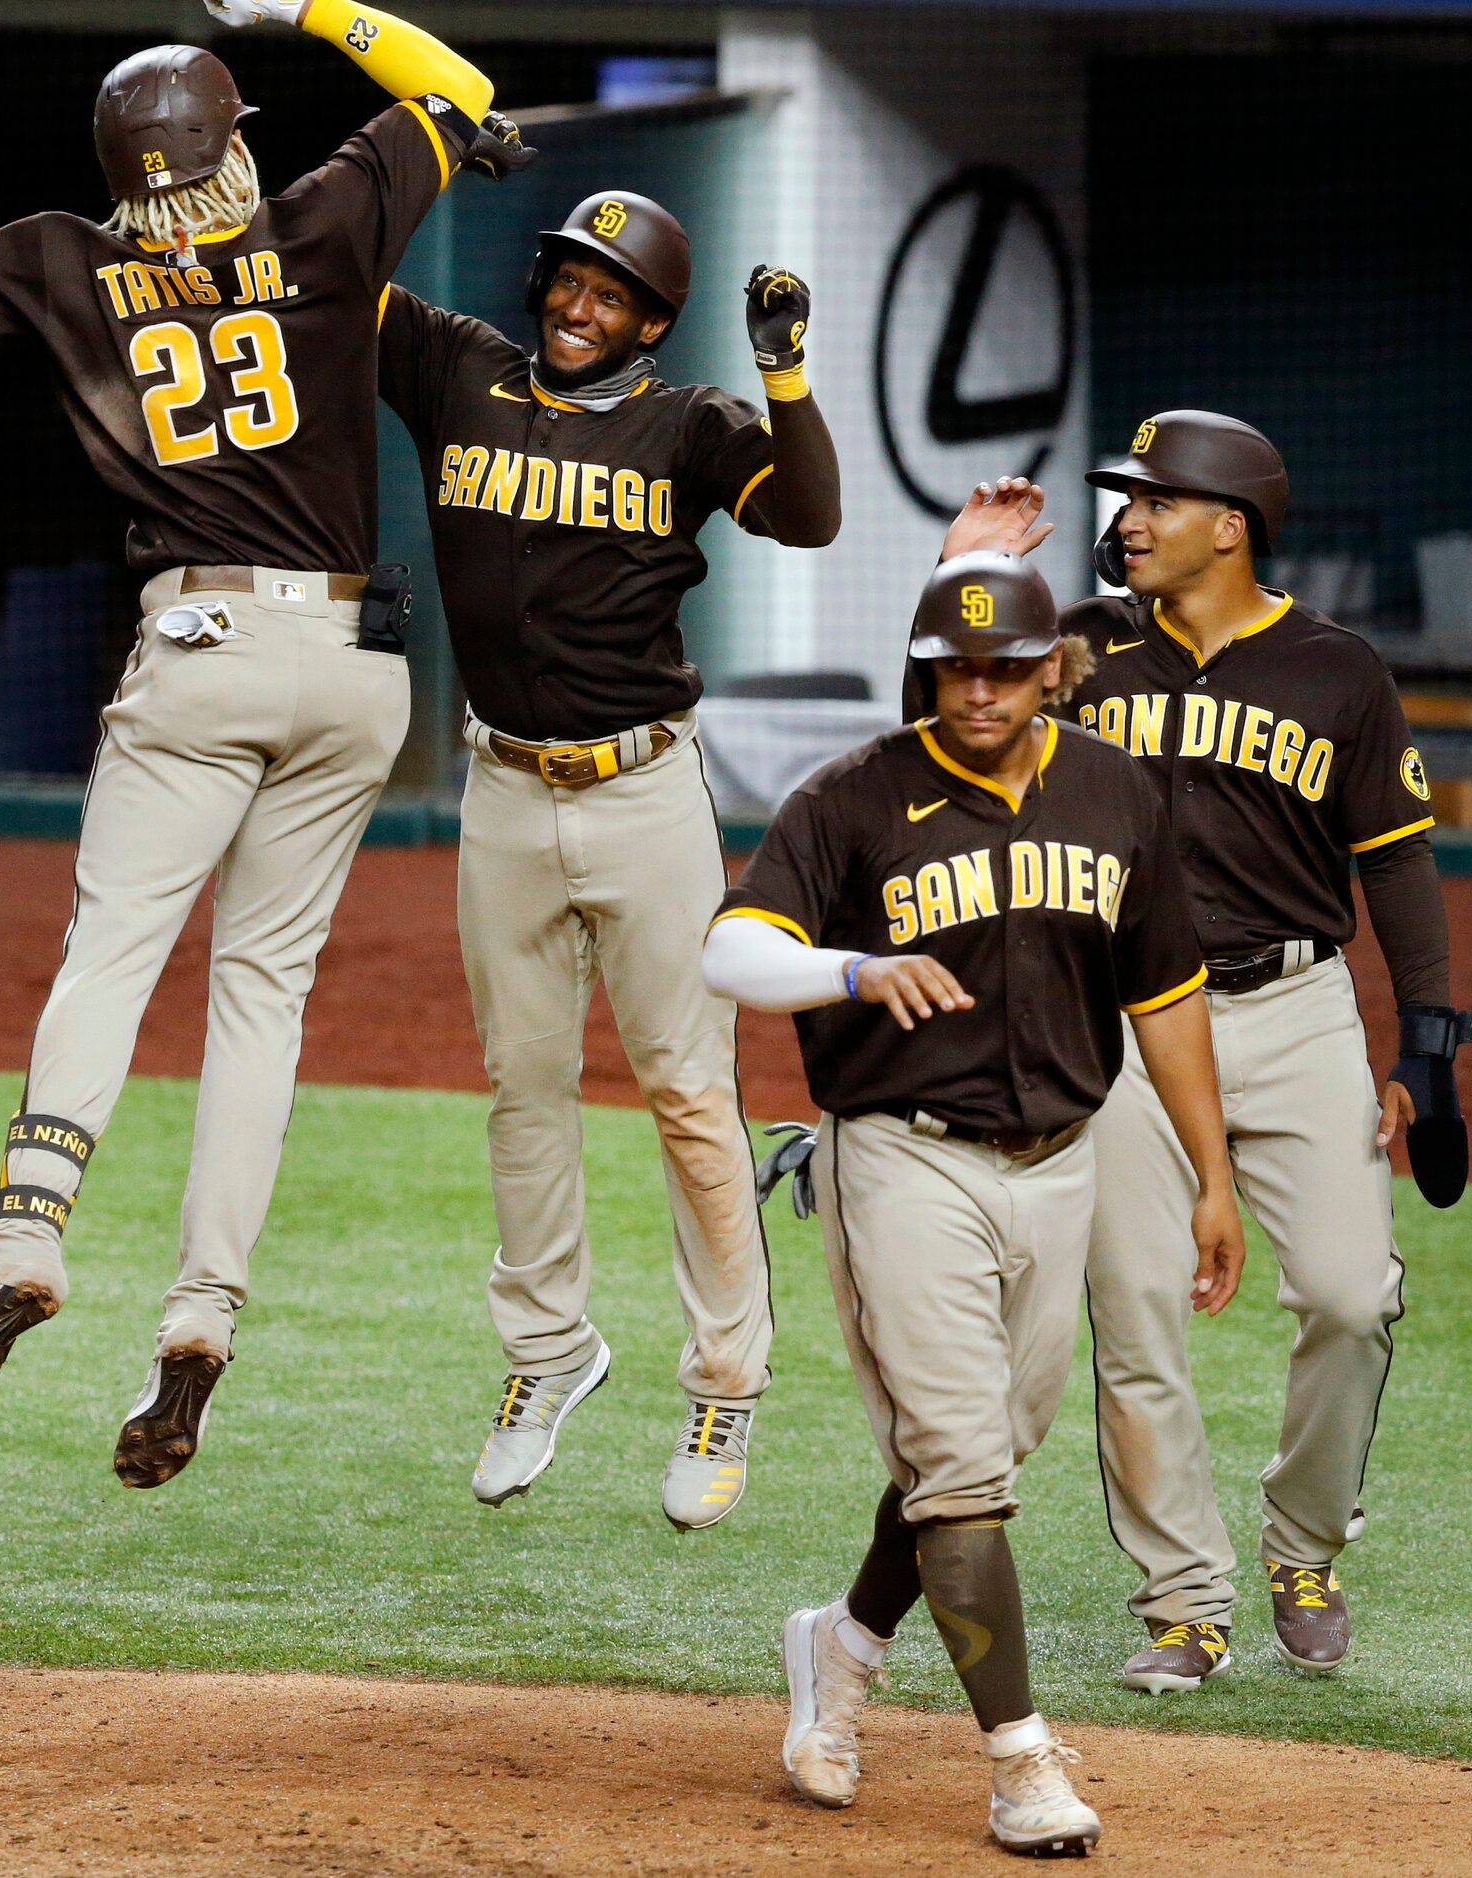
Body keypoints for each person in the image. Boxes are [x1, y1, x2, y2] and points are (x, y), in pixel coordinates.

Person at [0, 4, 531, 1487]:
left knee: (112, 954)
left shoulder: (47, 255)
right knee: (261, 1001)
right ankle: (198, 1323)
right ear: (231, 138)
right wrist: (304, 7)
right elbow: (457, 85)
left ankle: (22, 1244)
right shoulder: (328, 219)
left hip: (196, 645)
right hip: (353, 662)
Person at [703, 552, 1243, 1855]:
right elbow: (731, 946)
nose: (980, 688)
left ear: (1054, 669)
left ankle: (837, 1645)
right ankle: (1018, 1762)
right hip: (900, 1159)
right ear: (928, 668)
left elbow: (1162, 991)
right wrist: (849, 966)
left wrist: (1210, 1174)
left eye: (1006, 666)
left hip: (1062, 1165)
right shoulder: (850, 796)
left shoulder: (1117, 793)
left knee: (976, 1463)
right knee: (956, 1468)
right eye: (957, 665)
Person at [940, 414, 1472, 1688]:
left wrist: (1431, 1042)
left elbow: (1394, 860)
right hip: (1119, 1019)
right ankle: (1182, 1596)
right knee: (1130, 1316)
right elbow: (947, 702)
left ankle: (1302, 1546)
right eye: (1121, 501)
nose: (1125, 519)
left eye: (1152, 502)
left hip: (1292, 1015)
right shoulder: (1074, 644)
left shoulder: (1335, 670)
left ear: (1229, 526)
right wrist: (967, 566)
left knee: (1350, 1298)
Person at [377, 195, 841, 1527]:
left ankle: (724, 1381)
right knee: (521, 1085)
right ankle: (544, 1353)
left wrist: (784, 376)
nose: (581, 308)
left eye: (613, 294)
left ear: (651, 321)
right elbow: (327, 269)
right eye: (569, 280)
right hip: (502, 788)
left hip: (644, 793)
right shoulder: (453, 364)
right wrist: (407, 122)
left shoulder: (687, 425)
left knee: (688, 1093)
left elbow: (804, 517)